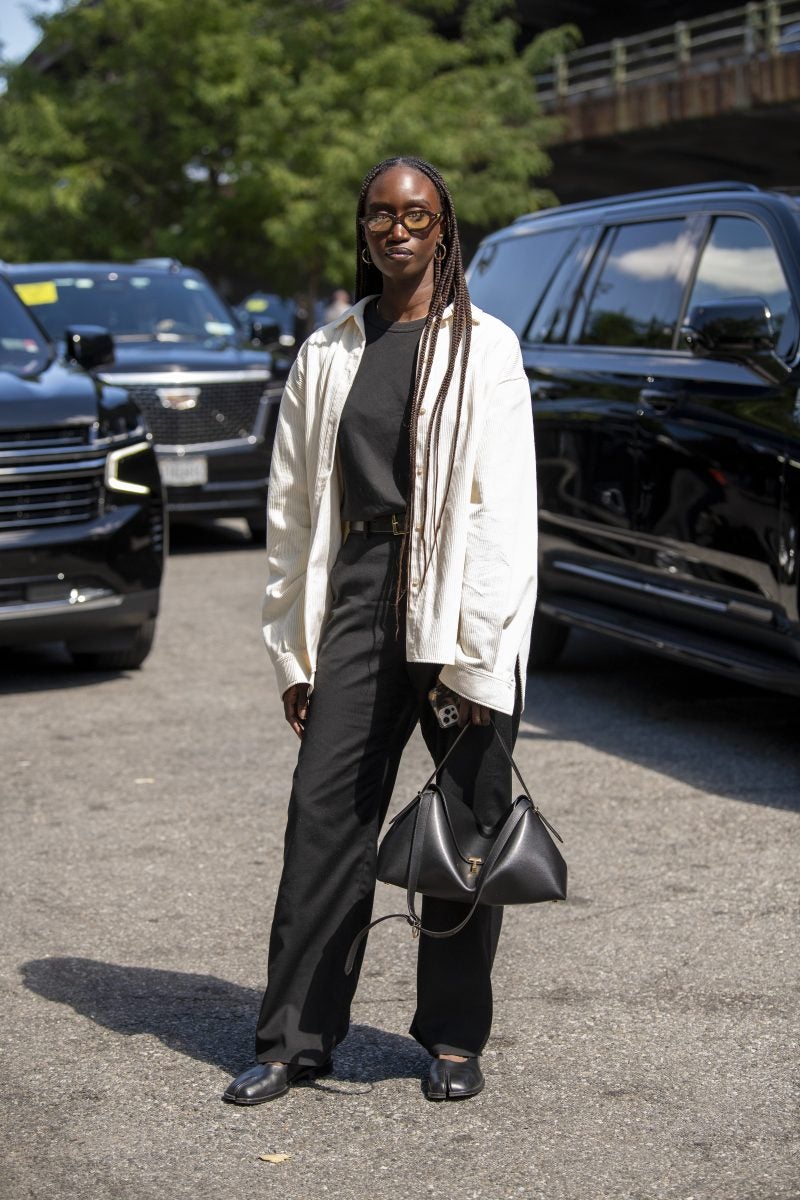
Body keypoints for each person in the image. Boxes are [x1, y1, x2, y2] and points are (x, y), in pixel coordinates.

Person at [223, 155, 538, 1106]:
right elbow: (292, 514)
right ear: (363, 230)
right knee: (323, 817)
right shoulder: (328, 352)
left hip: (456, 602)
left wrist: (479, 656)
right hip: (358, 593)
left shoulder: (488, 348)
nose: (396, 230)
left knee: (466, 821)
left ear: (446, 229)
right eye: (379, 215)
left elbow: (505, 514)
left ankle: (450, 1037)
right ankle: (293, 1040)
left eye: (416, 215)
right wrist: (293, 647)